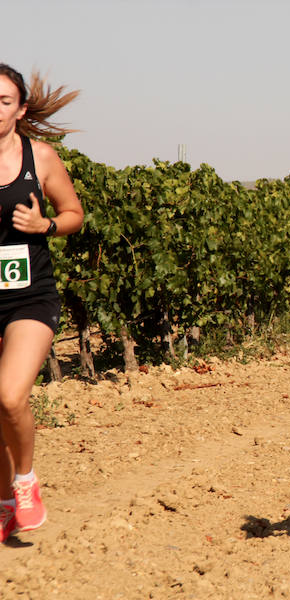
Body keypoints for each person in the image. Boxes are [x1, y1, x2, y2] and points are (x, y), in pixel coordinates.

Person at [0, 65, 84, 542]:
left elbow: (74, 213)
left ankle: (26, 482)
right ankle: (5, 503)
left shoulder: (41, 157)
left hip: (30, 297)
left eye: (4, 100)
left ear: (21, 109)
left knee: (10, 396)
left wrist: (46, 226)